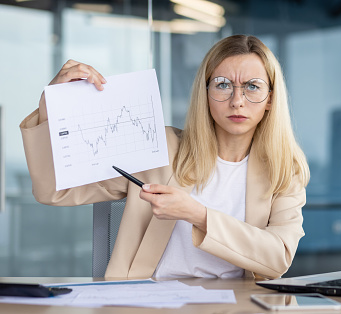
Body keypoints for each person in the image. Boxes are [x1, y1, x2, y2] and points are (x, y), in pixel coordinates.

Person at [20, 35, 310, 280]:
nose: (237, 100)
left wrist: (197, 214)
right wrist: (51, 105)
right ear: (205, 92)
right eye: (222, 84)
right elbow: (55, 191)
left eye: (252, 86)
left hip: (238, 310)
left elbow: (278, 257)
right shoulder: (160, 147)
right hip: (147, 306)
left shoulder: (286, 168)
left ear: (271, 98)